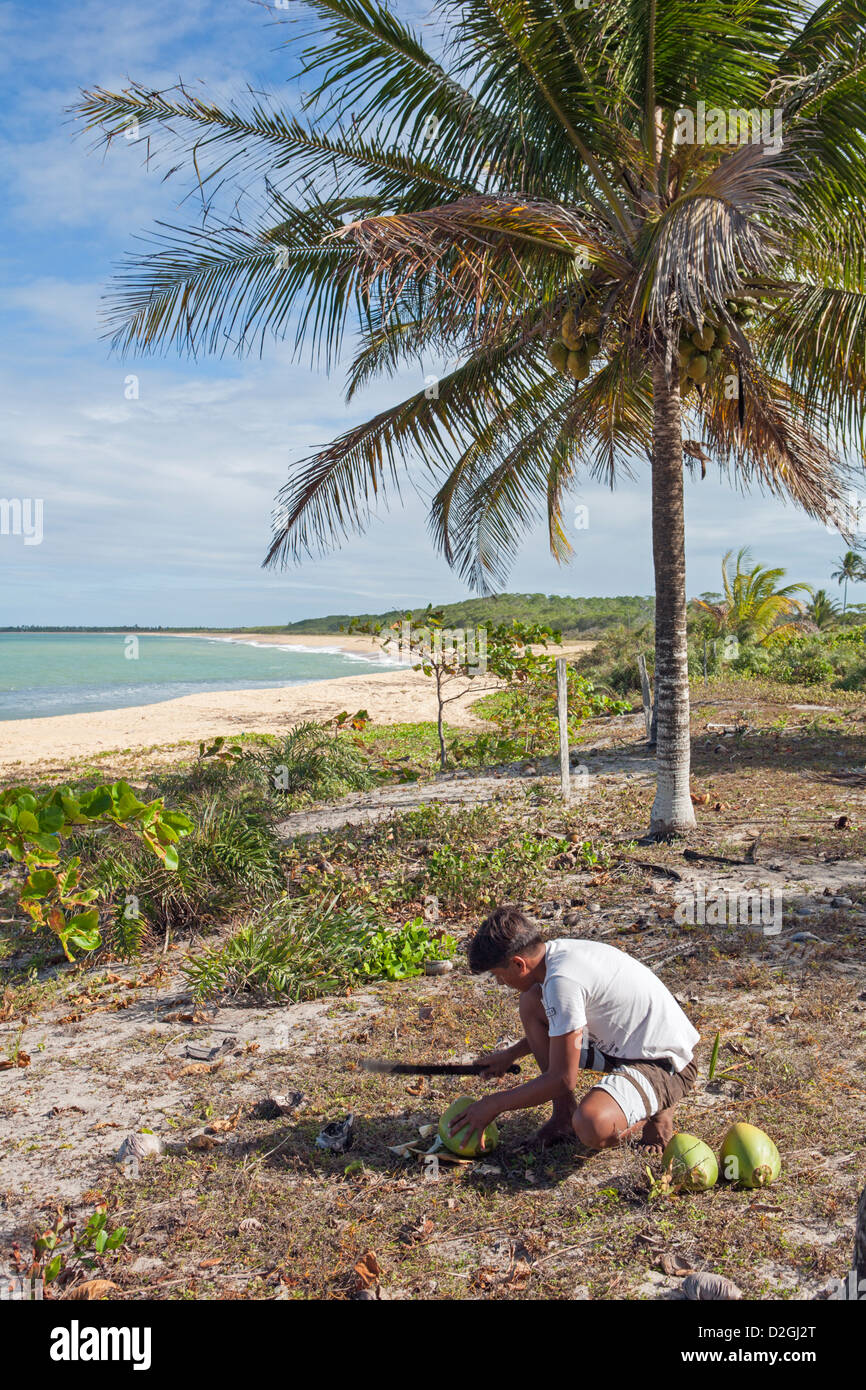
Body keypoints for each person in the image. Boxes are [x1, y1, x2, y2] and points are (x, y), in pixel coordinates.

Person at [450, 905, 700, 1154]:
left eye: (497, 975)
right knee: (531, 1001)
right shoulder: (555, 957)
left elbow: (563, 1078)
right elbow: (564, 1028)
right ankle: (563, 1117)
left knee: (592, 1125)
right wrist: (511, 1054)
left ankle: (653, 1111)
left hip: (667, 1063)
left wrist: (494, 1104)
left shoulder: (562, 982)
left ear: (518, 964)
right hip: (623, 1047)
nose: (500, 983)